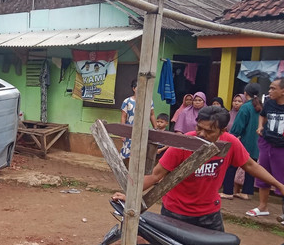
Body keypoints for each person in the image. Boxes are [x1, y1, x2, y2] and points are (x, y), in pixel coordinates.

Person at [113, 106, 284, 231]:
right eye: (198, 128)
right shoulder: (185, 143)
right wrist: (130, 195)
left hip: (209, 213)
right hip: (175, 211)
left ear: (222, 130)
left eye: (209, 131)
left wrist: (279, 185)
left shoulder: (230, 143)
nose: (201, 134)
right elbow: (156, 174)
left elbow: (250, 165)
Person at [246, 77, 284, 224]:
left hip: (282, 147)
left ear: (283, 91)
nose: (269, 91)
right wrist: (261, 126)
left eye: (273, 88)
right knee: (263, 175)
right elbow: (262, 116)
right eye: (269, 88)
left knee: (282, 178)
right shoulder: (268, 104)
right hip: (267, 144)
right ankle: (262, 207)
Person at [221, 84, 261, 200]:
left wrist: (231, 136)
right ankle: (246, 192)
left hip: (243, 142)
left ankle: (228, 191)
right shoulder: (260, 106)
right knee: (250, 167)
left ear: (245, 93)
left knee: (231, 165)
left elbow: (238, 127)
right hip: (256, 143)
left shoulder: (245, 107)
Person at [120, 79, 157, 164]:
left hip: (143, 132)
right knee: (127, 155)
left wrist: (156, 128)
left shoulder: (149, 101)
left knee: (141, 154)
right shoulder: (127, 101)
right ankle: (126, 173)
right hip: (129, 132)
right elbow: (123, 117)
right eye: (138, 88)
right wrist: (122, 133)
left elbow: (151, 115)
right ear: (134, 89)